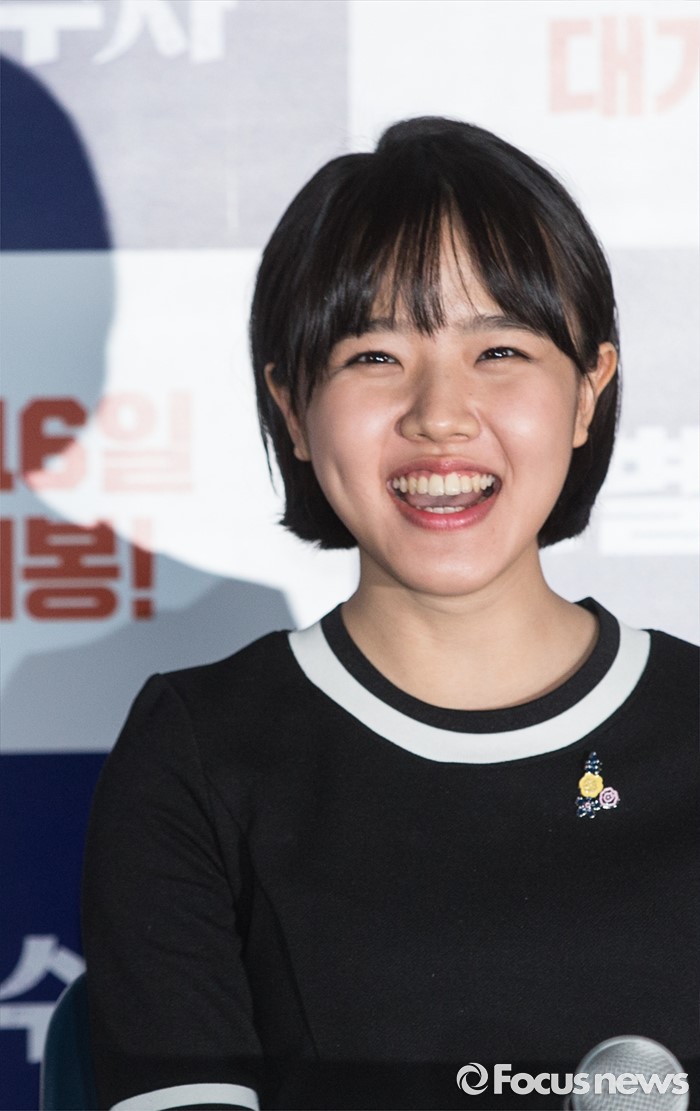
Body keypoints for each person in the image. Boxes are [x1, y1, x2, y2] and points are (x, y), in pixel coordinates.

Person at [82, 117, 699, 1111]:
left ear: (589, 392)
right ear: (293, 407)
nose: (439, 413)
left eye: (500, 348)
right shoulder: (198, 753)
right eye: (373, 355)